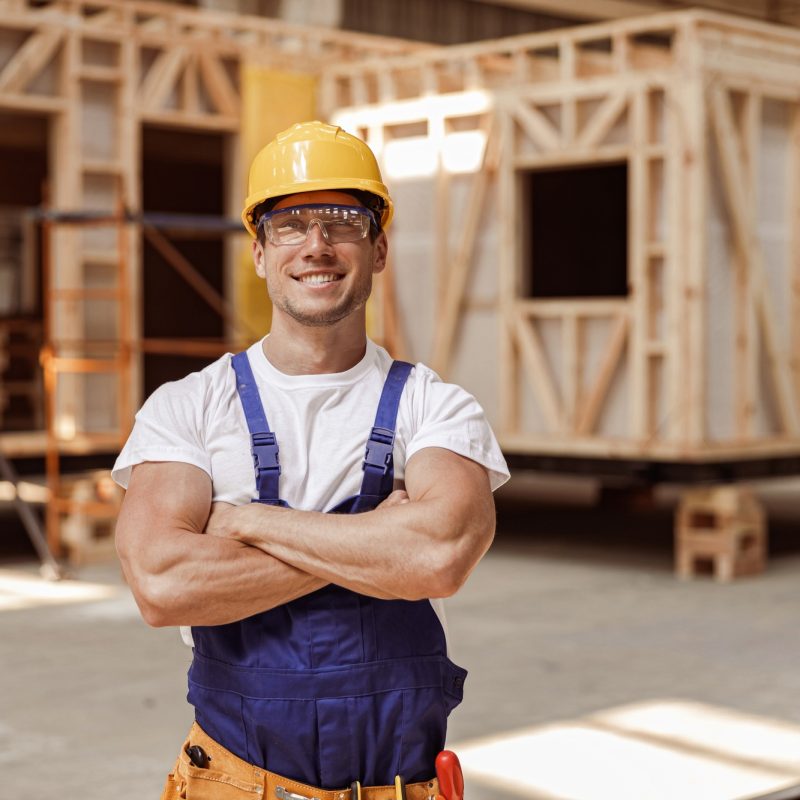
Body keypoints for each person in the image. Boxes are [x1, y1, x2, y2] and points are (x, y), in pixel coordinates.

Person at [113, 120, 509, 800]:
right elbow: (162, 584)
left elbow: (437, 557)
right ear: (261, 251)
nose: (317, 246)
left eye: (342, 222)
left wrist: (240, 521)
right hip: (236, 785)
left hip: (396, 787)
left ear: (378, 248)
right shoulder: (188, 408)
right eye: (291, 223)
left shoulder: (434, 406)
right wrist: (376, 548)